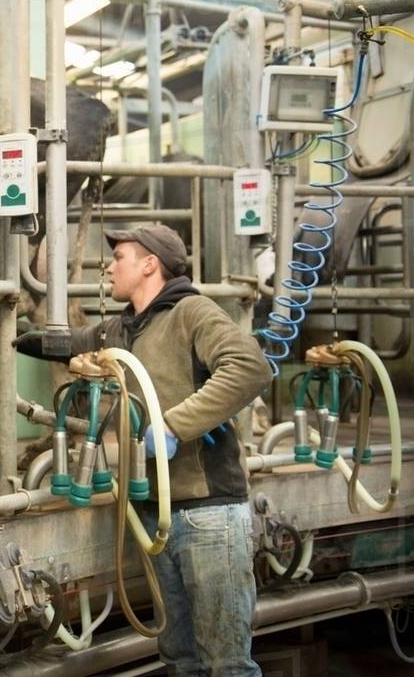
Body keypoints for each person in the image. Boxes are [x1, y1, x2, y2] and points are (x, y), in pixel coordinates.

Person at [18, 224, 271, 677]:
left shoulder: (193, 312)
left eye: (120, 258)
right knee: (180, 657)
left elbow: (249, 368)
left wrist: (174, 425)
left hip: (207, 511)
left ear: (150, 264)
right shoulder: (123, 328)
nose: (109, 266)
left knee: (227, 662)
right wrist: (18, 334)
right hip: (153, 510)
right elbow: (77, 343)